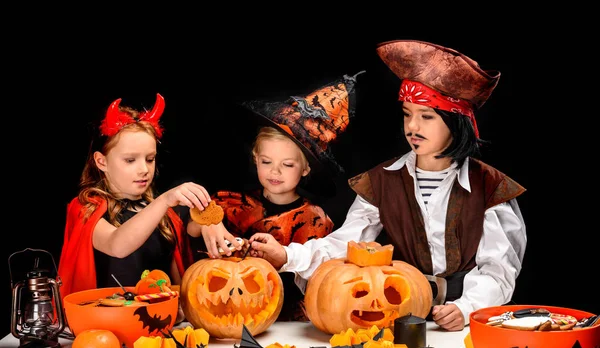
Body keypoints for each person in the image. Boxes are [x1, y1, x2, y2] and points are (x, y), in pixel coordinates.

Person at [246, 40, 527, 331]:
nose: (412, 127)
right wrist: (289, 255)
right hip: (399, 311)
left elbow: (499, 270)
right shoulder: (382, 181)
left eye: (426, 116)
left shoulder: (490, 187)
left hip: (467, 319)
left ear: (456, 121)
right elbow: (346, 244)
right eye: (407, 114)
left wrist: (465, 307)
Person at [187, 74, 361, 321]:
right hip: (227, 310)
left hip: (289, 319)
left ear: (305, 169)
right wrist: (210, 222)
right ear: (255, 159)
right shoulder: (232, 203)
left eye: (287, 165)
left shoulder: (314, 220)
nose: (275, 172)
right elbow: (191, 229)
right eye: (266, 162)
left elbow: (322, 279)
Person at [57, 93, 211, 301]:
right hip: (110, 324)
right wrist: (164, 200)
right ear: (101, 162)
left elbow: (176, 273)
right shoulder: (86, 208)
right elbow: (117, 245)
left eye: (150, 159)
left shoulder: (160, 213)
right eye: (130, 160)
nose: (144, 169)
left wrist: (211, 223)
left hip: (161, 321)